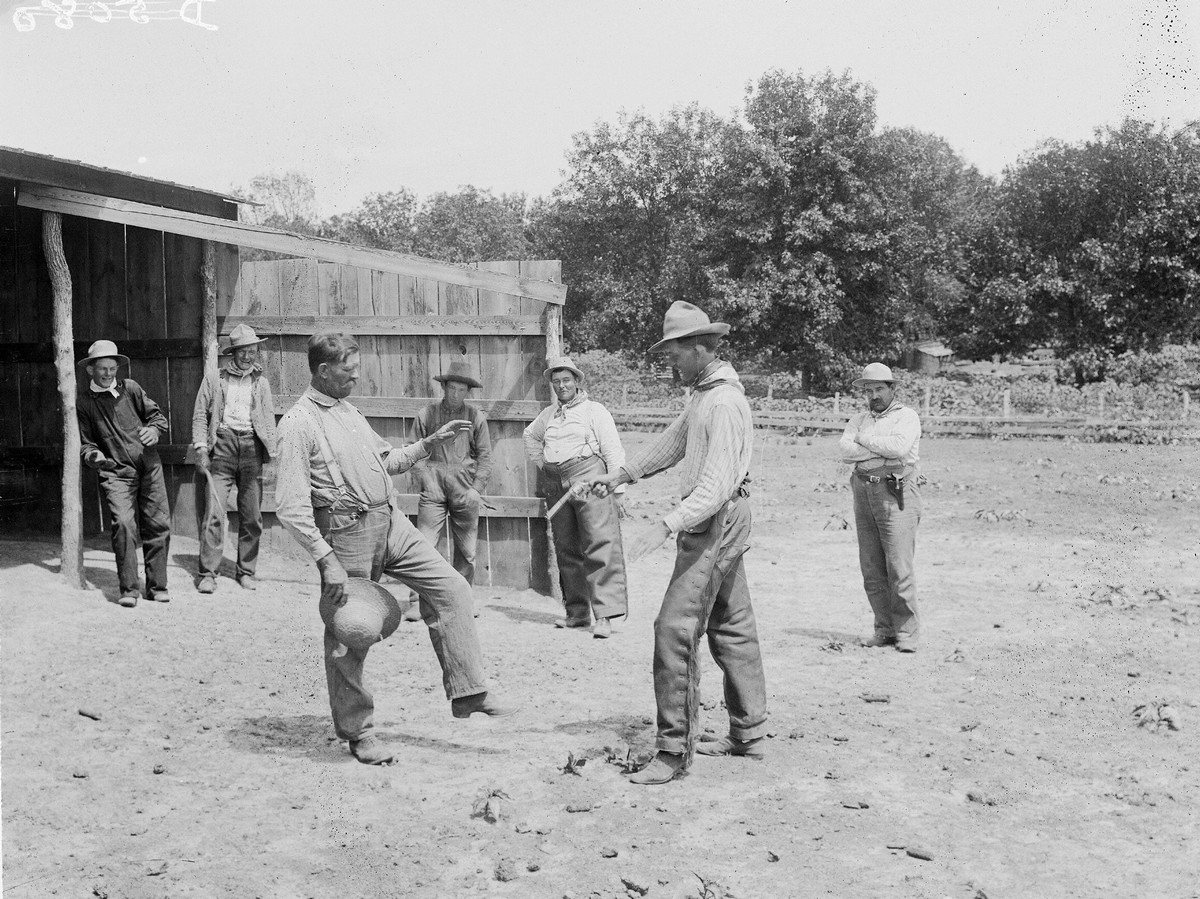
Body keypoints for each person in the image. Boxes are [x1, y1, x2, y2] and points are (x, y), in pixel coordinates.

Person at [274, 332, 517, 766]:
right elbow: (291, 508)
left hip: (392, 523)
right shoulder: (298, 424)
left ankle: (468, 693)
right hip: (346, 534)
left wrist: (430, 442)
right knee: (351, 635)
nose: (355, 377)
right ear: (324, 371)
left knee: (452, 588)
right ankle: (358, 732)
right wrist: (324, 559)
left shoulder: (349, 411)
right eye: (348, 371)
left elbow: (386, 462)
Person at [590, 302, 767, 784]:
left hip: (716, 519)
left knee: (674, 629)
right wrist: (624, 473)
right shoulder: (704, 395)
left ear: (699, 348)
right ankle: (748, 732)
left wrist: (665, 525)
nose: (669, 361)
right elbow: (675, 441)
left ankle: (672, 751)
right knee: (732, 624)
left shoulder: (725, 403)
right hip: (717, 516)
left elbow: (715, 487)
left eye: (674, 352)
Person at [524, 356, 629, 638]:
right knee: (566, 547)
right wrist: (543, 463)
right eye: (556, 382)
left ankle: (605, 616)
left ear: (577, 381)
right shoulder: (548, 415)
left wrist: (617, 491)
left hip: (589, 479)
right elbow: (530, 436)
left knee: (599, 543)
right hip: (556, 484)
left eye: (566, 380)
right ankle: (577, 613)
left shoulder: (595, 411)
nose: (561, 386)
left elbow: (612, 450)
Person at [76, 339, 172, 608]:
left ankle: (157, 586)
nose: (108, 374)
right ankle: (129, 589)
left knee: (158, 524)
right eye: (102, 369)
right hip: (116, 472)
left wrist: (153, 431)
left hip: (149, 467)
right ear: (90, 370)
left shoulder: (131, 389)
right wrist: (94, 456)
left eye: (112, 368)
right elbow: (86, 442)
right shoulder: (85, 402)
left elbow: (158, 418)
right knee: (124, 525)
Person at [839, 362, 923, 652]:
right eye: (869, 389)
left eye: (879, 389)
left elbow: (899, 449)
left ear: (892, 389)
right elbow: (844, 450)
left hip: (895, 489)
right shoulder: (860, 417)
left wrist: (863, 441)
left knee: (899, 565)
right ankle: (884, 629)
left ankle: (907, 633)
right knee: (872, 565)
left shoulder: (906, 416)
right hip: (863, 489)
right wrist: (876, 445)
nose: (873, 394)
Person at [191, 324, 278, 594]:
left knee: (252, 516)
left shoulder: (260, 383)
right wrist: (202, 448)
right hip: (223, 447)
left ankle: (246, 571)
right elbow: (199, 415)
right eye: (243, 352)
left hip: (252, 449)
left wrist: (272, 455)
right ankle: (208, 573)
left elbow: (268, 419)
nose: (248, 357)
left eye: (253, 351)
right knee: (214, 513)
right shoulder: (215, 379)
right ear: (233, 353)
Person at [409, 361, 492, 618]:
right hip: (433, 487)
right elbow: (413, 450)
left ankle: (462, 600)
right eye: (451, 388)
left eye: (461, 390)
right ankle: (417, 602)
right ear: (443, 387)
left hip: (464, 487)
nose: (455, 394)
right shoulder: (427, 415)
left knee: (466, 551)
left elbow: (486, 457)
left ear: (468, 392)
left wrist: (476, 489)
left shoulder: (475, 417)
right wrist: (425, 478)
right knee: (424, 544)